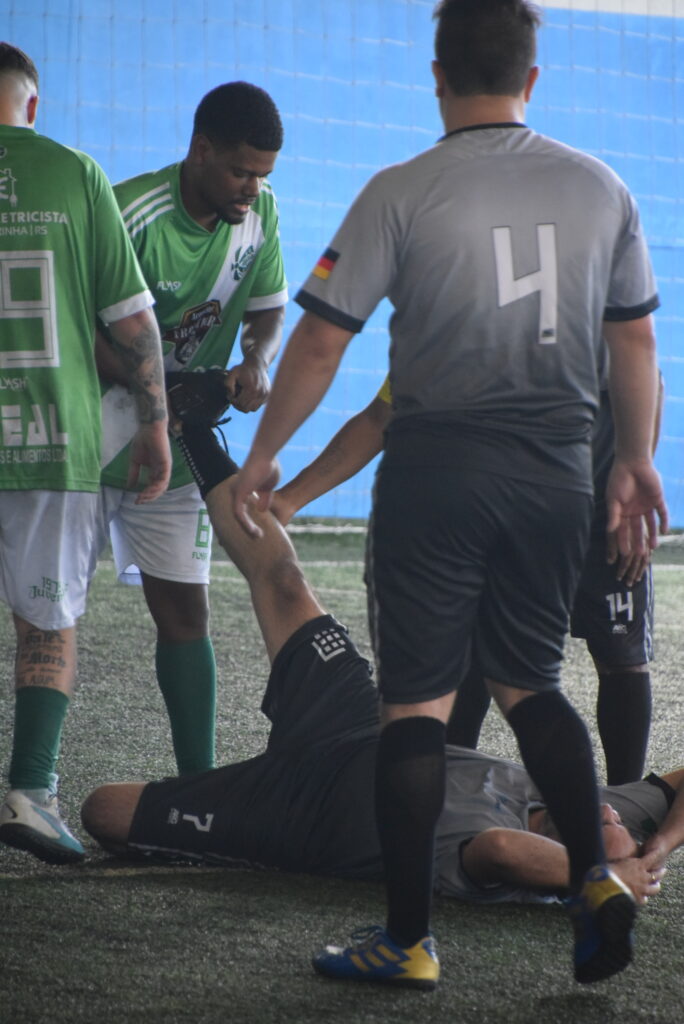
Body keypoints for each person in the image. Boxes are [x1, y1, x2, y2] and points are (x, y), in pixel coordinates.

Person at [231, 0, 668, 988]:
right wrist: (636, 459)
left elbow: (321, 337)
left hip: (436, 472)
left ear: (436, 76)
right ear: (531, 78)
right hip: (557, 471)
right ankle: (594, 874)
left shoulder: (400, 189)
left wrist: (265, 455)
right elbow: (636, 338)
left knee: (416, 708)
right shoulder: (602, 188)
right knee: (533, 684)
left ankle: (408, 940)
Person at [81, 449, 678, 994]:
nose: (608, 813)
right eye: (613, 819)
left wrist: (603, 878)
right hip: (354, 723)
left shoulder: (503, 869)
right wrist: (657, 846)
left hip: (294, 815)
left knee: (106, 810)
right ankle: (197, 433)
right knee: (285, 580)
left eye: (608, 833)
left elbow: (501, 850)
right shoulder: (593, 805)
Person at [272, 376, 664, 785]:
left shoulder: (577, 337)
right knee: (475, 654)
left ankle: (626, 801)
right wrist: (289, 499)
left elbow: (644, 380)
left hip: (601, 505)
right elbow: (379, 418)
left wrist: (635, 487)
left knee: (619, 656)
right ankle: (451, 792)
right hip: (502, 506)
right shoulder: (434, 344)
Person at [0, 43, 172, 865]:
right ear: (31, 107)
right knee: (48, 621)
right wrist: (155, 424)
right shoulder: (74, 172)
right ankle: (30, 794)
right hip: (51, 436)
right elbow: (134, 324)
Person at [94, 82, 288, 777]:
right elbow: (79, 332)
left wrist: (256, 359)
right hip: (90, 434)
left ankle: (199, 788)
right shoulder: (127, 213)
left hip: (180, 441)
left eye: (263, 174)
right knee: (45, 610)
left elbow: (266, 309)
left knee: (184, 611)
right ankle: (35, 787)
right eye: (241, 171)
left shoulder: (260, 213)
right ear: (200, 150)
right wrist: (157, 390)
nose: (253, 188)